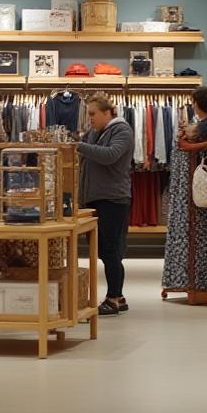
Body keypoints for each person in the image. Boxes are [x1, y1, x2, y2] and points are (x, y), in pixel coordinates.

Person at [77, 93, 135, 316]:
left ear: (107, 113)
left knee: (110, 250)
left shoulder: (122, 130)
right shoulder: (95, 132)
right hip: (98, 198)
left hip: (113, 199)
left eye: (93, 114)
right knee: (105, 250)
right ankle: (118, 297)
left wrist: (79, 146)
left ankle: (113, 298)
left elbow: (110, 155)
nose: (90, 118)